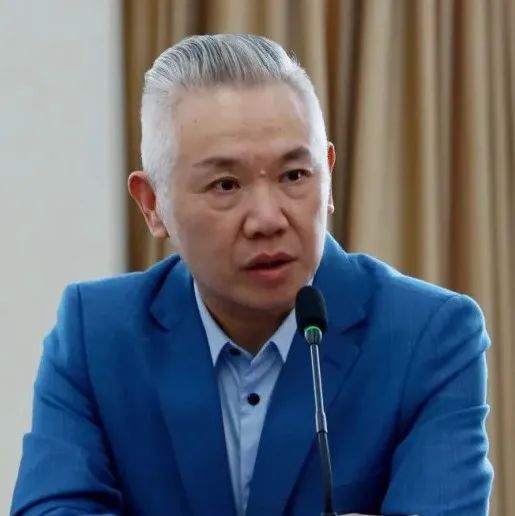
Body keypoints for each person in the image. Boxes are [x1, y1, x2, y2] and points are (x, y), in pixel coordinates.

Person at [11, 34, 493, 516]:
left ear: (327, 176)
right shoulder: (96, 335)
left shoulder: (428, 336)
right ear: (152, 204)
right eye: (226, 184)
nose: (267, 219)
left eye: (294, 176)